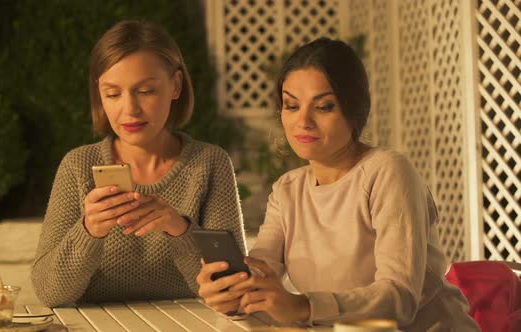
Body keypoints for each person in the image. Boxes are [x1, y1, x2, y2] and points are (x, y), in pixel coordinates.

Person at [196, 37, 480, 331]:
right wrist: (232, 291)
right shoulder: (287, 190)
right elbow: (261, 267)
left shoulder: (388, 171)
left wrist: (303, 306)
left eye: (323, 107)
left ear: (354, 110)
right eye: (291, 105)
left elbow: (399, 299)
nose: (303, 121)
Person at [31, 20, 246, 307]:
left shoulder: (208, 164)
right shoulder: (79, 166)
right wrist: (89, 230)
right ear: (99, 95)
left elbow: (232, 290)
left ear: (176, 85)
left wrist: (179, 229)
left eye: (145, 91)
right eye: (113, 94)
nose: (129, 109)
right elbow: (49, 293)